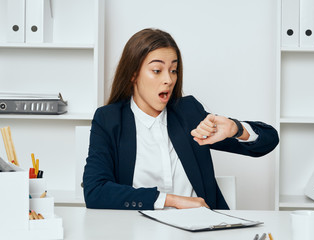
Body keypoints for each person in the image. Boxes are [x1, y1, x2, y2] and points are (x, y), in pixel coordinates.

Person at [83, 28, 279, 210]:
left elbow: (269, 140)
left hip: (201, 229)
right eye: (157, 71)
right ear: (133, 74)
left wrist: (236, 129)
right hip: (138, 230)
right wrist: (173, 201)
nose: (169, 80)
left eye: (173, 70)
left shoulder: (188, 113)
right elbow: (95, 192)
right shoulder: (109, 120)